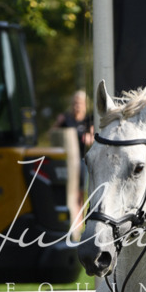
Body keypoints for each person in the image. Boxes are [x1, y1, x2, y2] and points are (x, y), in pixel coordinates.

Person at [52, 90, 95, 236]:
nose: (77, 105)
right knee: (69, 192)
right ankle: (72, 222)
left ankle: (79, 222)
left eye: (80, 103)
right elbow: (53, 133)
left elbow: (93, 137)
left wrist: (89, 138)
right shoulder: (65, 118)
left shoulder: (88, 120)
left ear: (84, 105)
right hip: (68, 162)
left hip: (82, 161)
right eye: (75, 102)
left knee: (81, 193)